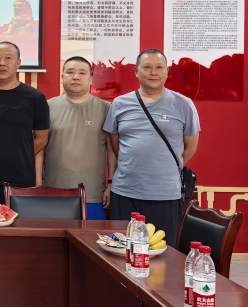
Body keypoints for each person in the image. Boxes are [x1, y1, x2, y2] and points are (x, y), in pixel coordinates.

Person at [103, 49, 200, 245]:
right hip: (125, 192)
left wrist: (164, 167)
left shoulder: (184, 104)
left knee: (163, 252)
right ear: (136, 72)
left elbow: (190, 147)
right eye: (147, 67)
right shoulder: (120, 104)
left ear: (167, 71)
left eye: (159, 67)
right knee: (123, 250)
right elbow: (114, 145)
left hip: (165, 194)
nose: (153, 72)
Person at [0, 41, 49, 204]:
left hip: (20, 180)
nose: (2, 63)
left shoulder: (35, 97)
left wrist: (17, 156)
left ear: (18, 63)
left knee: (17, 221)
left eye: (8, 58)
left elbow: (42, 138)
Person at [37, 56, 115, 220]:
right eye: (70, 72)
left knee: (91, 236)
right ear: (62, 77)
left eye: (82, 73)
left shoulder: (106, 108)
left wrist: (111, 184)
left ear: (91, 78)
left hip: (93, 194)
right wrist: (38, 184)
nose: (76, 77)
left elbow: (112, 150)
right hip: (54, 191)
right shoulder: (47, 107)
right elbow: (40, 147)